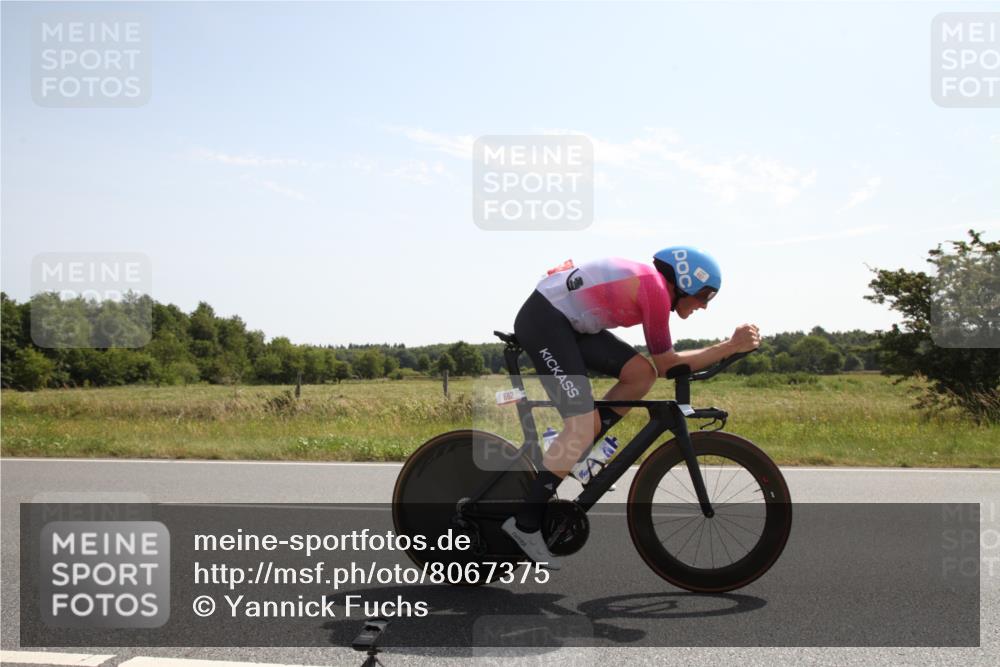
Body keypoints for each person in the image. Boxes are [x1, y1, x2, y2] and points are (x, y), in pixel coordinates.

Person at [500, 247, 761, 569]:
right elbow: (668, 364)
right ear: (685, 282)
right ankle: (525, 524)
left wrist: (727, 349)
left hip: (567, 322)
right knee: (582, 425)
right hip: (545, 320)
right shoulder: (653, 287)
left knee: (639, 375)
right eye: (705, 295)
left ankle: (580, 451)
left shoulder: (653, 286)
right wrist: (730, 347)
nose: (705, 306)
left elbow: (656, 367)